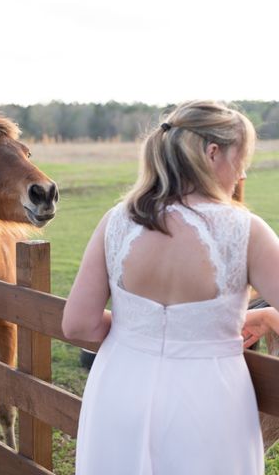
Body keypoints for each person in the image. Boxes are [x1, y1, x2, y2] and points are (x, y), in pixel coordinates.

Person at [62, 100, 279, 474]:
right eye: (240, 161)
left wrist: (138, 329)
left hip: (119, 387)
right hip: (209, 401)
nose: (240, 175)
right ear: (213, 153)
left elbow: (78, 324)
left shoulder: (116, 221)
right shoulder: (244, 231)